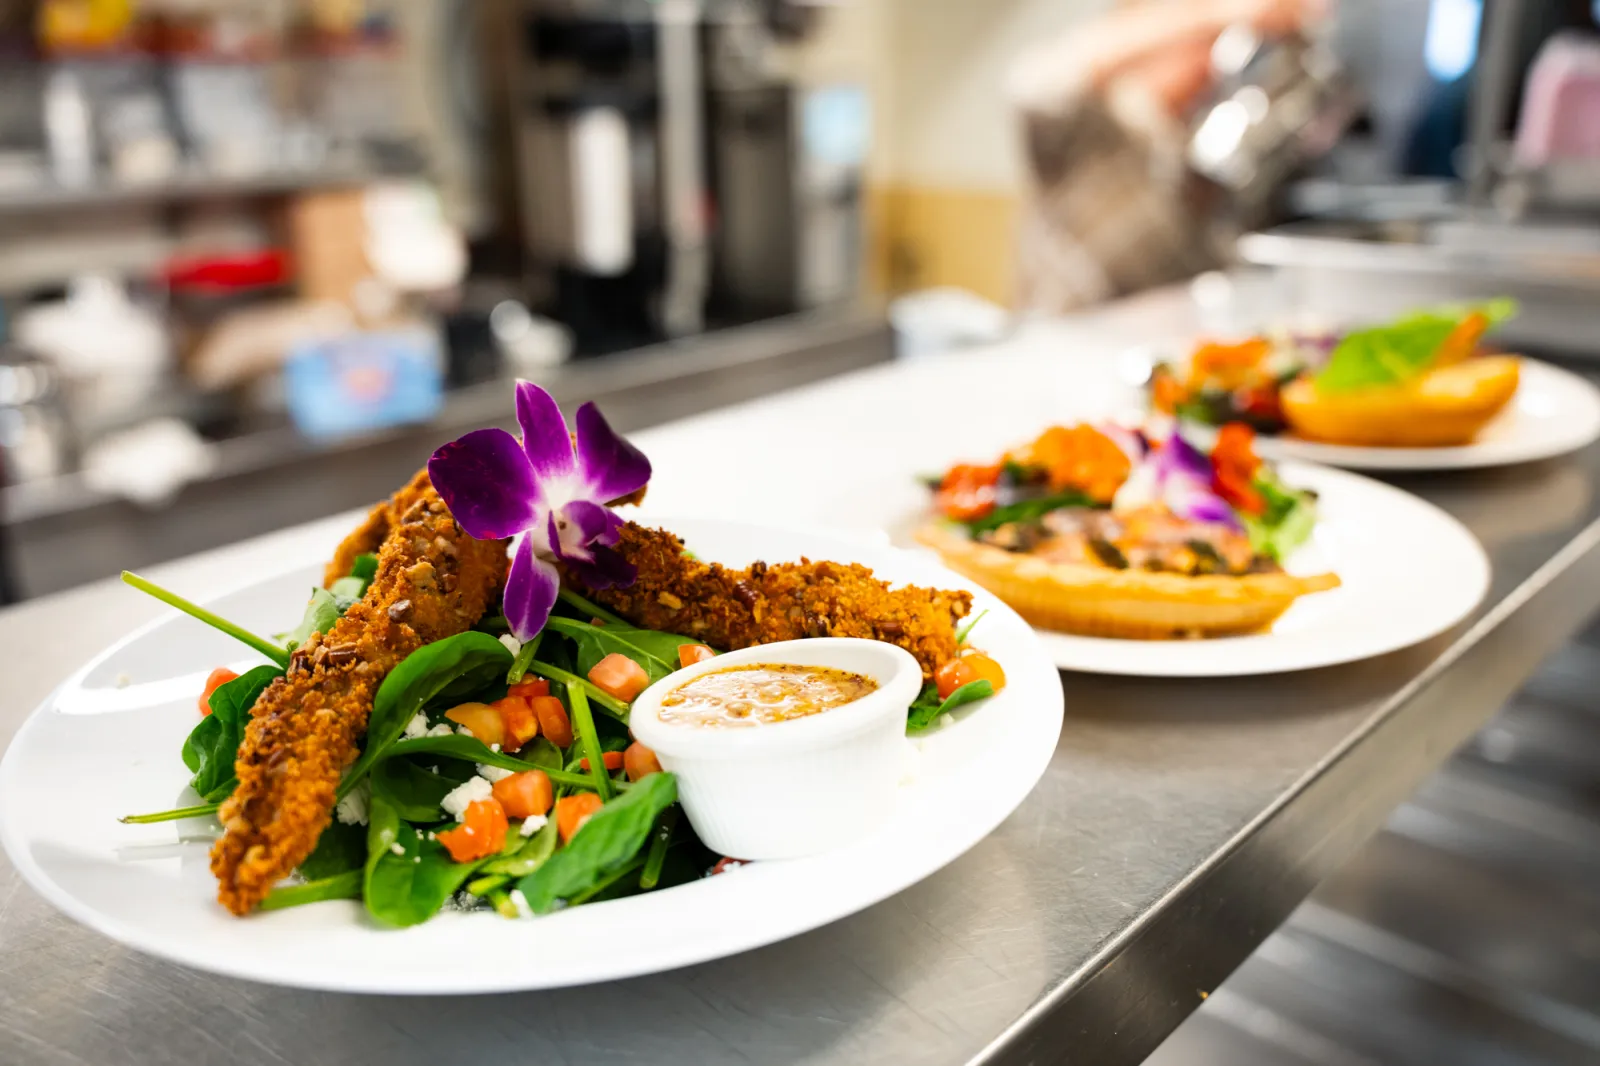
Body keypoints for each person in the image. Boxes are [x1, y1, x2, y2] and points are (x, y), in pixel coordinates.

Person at [1008, 0, 1326, 313]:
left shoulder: (1202, 143)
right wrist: (1223, 13)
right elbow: (1038, 83)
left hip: (1150, 348)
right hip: (1058, 341)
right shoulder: (1093, 122)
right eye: (1199, 42)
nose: (1209, 62)